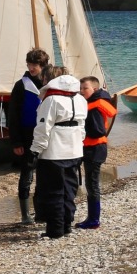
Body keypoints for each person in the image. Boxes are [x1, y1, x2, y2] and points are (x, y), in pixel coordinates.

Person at [30, 69, 86, 239]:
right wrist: (79, 144)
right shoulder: (80, 98)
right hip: (75, 149)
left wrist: (35, 150)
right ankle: (67, 224)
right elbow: (82, 127)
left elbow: (43, 127)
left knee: (53, 191)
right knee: (69, 189)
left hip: (54, 153)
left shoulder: (51, 100)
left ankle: (55, 230)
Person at [7, 48, 51, 224]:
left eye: (35, 65)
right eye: (29, 64)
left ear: (43, 65)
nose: (32, 68)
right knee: (27, 175)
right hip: (26, 136)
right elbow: (13, 115)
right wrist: (16, 141)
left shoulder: (51, 83)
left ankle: (40, 212)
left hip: (47, 136)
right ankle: (25, 215)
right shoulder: (21, 85)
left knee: (45, 174)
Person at [77, 76, 116, 229]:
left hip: (95, 149)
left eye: (84, 88)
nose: (81, 91)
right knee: (91, 184)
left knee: (92, 184)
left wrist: (83, 132)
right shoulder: (96, 103)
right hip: (95, 148)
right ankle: (92, 217)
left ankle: (94, 219)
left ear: (94, 89)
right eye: (80, 88)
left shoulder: (95, 106)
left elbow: (98, 130)